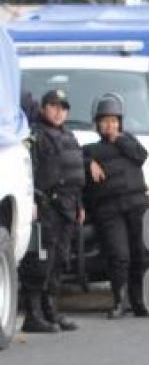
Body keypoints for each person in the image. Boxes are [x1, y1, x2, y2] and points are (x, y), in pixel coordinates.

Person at [18, 89, 85, 333]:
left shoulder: (69, 136)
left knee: (59, 261)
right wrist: (33, 200)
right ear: (44, 108)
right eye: (53, 106)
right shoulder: (35, 135)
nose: (58, 112)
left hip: (67, 208)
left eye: (62, 107)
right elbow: (29, 172)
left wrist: (79, 205)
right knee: (39, 262)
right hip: (46, 206)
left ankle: (51, 311)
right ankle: (33, 315)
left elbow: (76, 175)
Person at [82, 94, 149, 318]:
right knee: (119, 254)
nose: (109, 125)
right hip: (109, 208)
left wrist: (119, 139)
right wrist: (88, 162)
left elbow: (141, 156)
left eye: (114, 121)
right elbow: (75, 158)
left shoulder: (129, 141)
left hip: (136, 204)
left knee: (139, 253)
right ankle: (119, 300)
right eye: (105, 121)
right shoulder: (90, 150)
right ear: (97, 124)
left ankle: (138, 300)